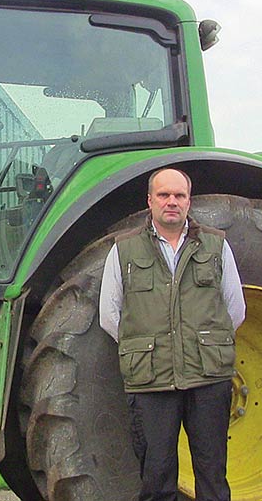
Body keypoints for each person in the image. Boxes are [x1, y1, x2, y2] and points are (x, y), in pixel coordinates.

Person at [99, 168, 246, 501]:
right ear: (150, 201)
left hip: (207, 380)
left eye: (179, 196)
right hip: (152, 381)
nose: (172, 202)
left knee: (212, 476)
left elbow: (235, 310)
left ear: (188, 201)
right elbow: (110, 316)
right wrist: (150, 350)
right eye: (164, 195)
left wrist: (201, 347)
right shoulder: (123, 250)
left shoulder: (216, 245)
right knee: (156, 478)